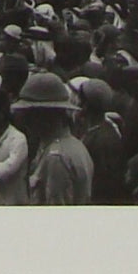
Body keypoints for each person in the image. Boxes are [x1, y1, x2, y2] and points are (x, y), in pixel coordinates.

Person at [11, 72, 93, 205]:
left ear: (45, 116)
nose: (26, 121)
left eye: (30, 115)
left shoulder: (56, 157)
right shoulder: (74, 145)